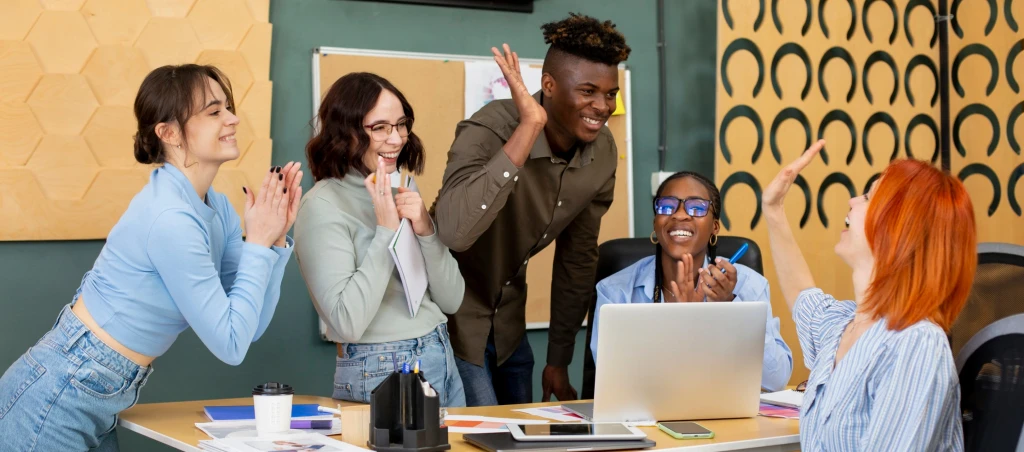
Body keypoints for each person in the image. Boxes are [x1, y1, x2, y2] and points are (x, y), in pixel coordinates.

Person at [0, 64, 301, 451]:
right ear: (169, 132)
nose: (233, 118)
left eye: (228, 107)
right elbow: (230, 346)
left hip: (97, 387)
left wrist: (273, 244)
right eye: (214, 112)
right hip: (62, 390)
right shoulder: (170, 218)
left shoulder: (219, 208)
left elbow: (247, 327)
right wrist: (258, 244)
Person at [431, 13, 631, 406]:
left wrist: (558, 359)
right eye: (588, 91)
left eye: (610, 94)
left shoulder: (603, 151)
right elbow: (451, 232)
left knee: (524, 437)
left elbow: (577, 258)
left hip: (509, 328)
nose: (602, 106)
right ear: (549, 85)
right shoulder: (490, 128)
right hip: (451, 320)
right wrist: (529, 129)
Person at [764, 140, 976, 450]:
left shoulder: (916, 345)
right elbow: (803, 296)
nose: (852, 200)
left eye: (868, 196)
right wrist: (773, 209)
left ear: (898, 228)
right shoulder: (844, 326)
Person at [295, 72, 466, 407]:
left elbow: (452, 300)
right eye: (380, 128)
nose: (397, 138)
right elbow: (347, 323)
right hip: (381, 366)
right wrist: (386, 231)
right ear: (345, 131)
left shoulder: (403, 186)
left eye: (401, 124)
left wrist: (426, 230)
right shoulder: (321, 205)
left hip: (439, 351)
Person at [590, 171, 793, 391]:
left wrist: (729, 308)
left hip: (727, 418)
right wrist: (681, 323)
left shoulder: (748, 284)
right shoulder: (615, 291)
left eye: (696, 208)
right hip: (646, 420)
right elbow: (615, 383)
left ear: (715, 226)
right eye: (667, 206)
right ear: (656, 224)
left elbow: (776, 379)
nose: (679, 215)